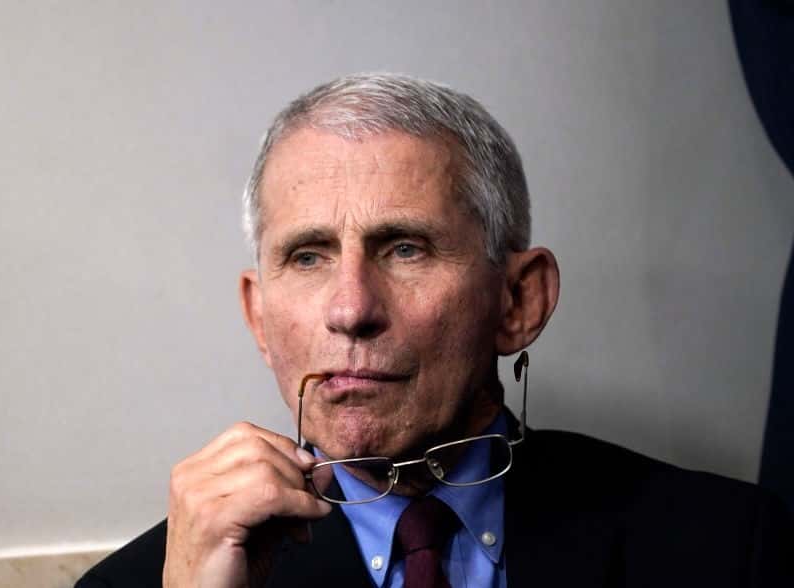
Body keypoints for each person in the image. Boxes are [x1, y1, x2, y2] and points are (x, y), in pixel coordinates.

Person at [76, 73, 792, 588]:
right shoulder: (147, 583)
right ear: (259, 317)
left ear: (519, 300)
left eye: (405, 249)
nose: (351, 309)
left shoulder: (729, 547)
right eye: (308, 256)